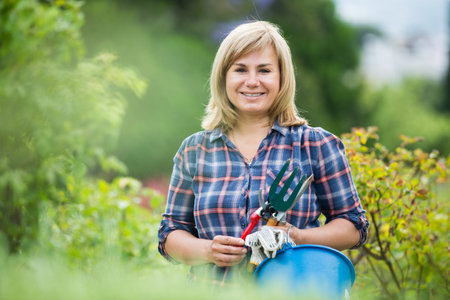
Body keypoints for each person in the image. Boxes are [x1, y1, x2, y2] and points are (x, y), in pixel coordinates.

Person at [158, 20, 369, 284]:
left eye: (265, 70)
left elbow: (353, 226)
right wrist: (208, 250)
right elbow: (171, 233)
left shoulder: (315, 146)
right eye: (240, 69)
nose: (252, 81)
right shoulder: (195, 150)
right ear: (224, 76)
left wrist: (296, 237)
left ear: (282, 77)